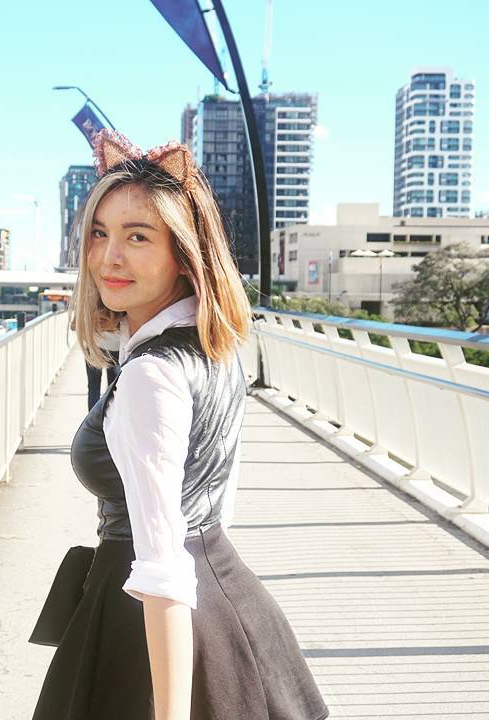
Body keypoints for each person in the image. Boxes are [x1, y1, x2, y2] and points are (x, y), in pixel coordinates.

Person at [33, 130, 327, 720]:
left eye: (137, 236)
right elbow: (217, 496)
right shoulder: (216, 346)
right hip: (225, 598)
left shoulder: (151, 373)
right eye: (99, 233)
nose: (109, 257)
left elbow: (162, 568)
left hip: (149, 620)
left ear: (185, 253)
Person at [85, 331, 120, 410]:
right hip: (115, 345)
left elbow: (75, 326)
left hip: (94, 345)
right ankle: (110, 415)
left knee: (93, 386)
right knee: (113, 388)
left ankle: (94, 417)